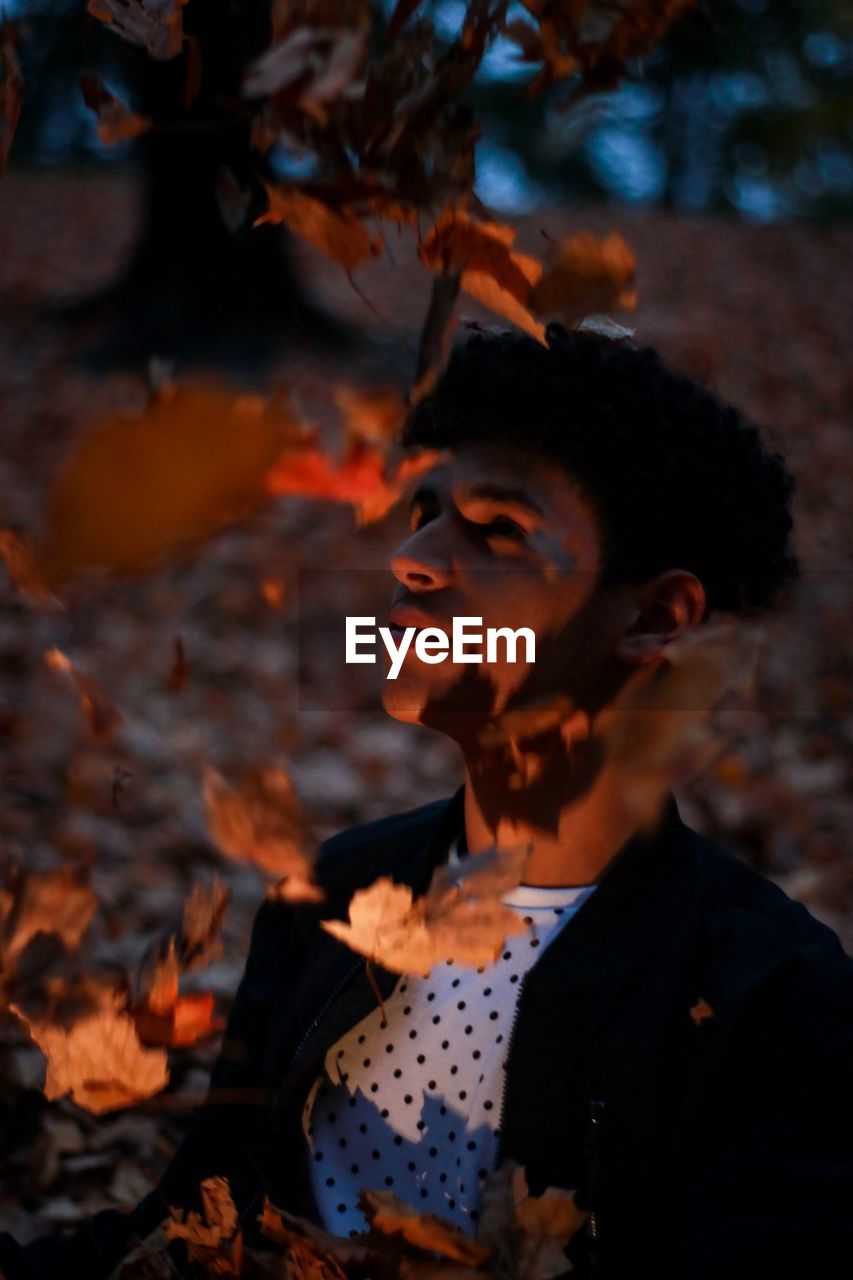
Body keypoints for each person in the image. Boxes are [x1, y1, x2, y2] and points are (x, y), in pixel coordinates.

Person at [2, 326, 852, 1280]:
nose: (411, 557)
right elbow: (196, 1228)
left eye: (497, 529)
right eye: (423, 510)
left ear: (655, 617)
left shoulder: (769, 997)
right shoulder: (332, 893)